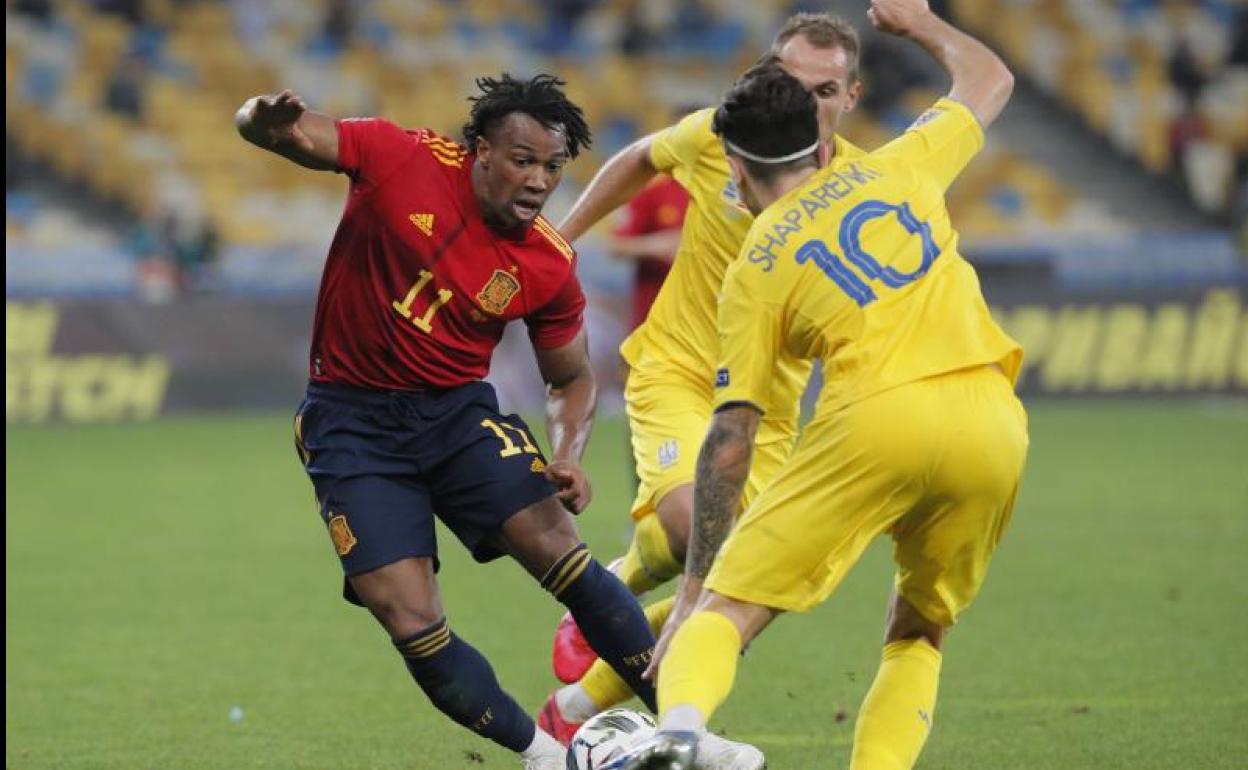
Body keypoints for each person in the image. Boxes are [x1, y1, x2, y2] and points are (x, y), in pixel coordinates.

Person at [607, 1, 1028, 768]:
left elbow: (732, 437)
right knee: (919, 630)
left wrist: (697, 585)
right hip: (994, 421)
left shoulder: (760, 261)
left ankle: (680, 733)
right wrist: (922, 23)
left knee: (729, 609)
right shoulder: (901, 163)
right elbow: (991, 77)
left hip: (877, 422)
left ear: (737, 169)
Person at [234, 74, 672, 770]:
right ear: (481, 151)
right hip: (349, 422)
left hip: (455, 413)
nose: (539, 181)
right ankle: (544, 755)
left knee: (564, 554)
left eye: (553, 166)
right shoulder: (398, 156)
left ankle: (685, 727)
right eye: (523, 160)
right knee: (410, 620)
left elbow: (572, 378)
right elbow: (284, 133)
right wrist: (262, 117)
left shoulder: (548, 263)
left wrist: (568, 452)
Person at [541, 11, 865, 742]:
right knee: (697, 523)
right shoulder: (721, 137)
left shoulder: (859, 189)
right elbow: (640, 159)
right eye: (794, 84)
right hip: (681, 371)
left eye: (826, 90)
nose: (808, 102)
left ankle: (576, 705)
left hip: (770, 406)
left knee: (739, 586)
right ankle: (614, 602)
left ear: (851, 97)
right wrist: (559, 239)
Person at [609, 174, 688, 331]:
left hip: (704, 315)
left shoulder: (723, 192)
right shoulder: (655, 186)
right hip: (652, 315)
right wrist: (657, 245)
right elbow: (616, 245)